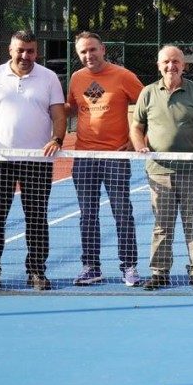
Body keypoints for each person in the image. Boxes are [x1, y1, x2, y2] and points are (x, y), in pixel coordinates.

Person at [0, 30, 67, 292]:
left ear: (37, 52)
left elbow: (59, 115)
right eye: (20, 50)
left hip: (37, 161)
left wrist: (57, 139)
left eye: (30, 51)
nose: (25, 56)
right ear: (10, 50)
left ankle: (36, 272)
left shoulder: (49, 78)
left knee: (36, 218)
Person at [66, 31, 145, 287]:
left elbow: (148, 106)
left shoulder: (123, 76)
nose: (88, 55)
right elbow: (70, 108)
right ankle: (91, 266)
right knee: (87, 215)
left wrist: (136, 140)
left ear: (103, 49)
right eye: (83, 51)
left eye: (92, 49)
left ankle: (129, 266)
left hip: (115, 156)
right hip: (84, 156)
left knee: (122, 212)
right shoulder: (76, 78)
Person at [131, 45, 193, 290]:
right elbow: (137, 126)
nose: (171, 66)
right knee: (162, 224)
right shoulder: (148, 93)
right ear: (159, 66)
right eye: (166, 62)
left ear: (183, 65)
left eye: (176, 61)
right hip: (159, 171)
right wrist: (139, 145)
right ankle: (159, 272)